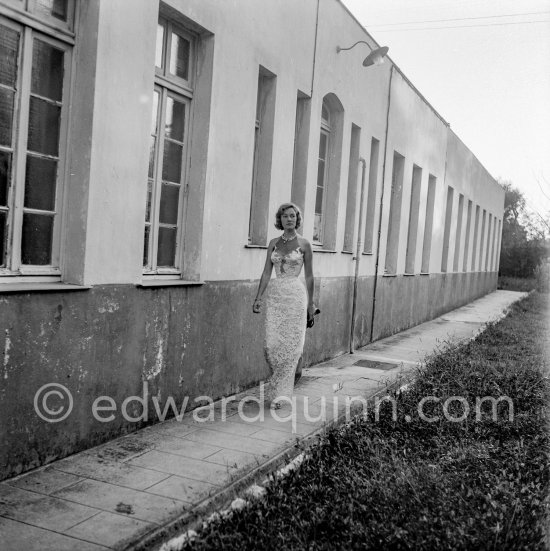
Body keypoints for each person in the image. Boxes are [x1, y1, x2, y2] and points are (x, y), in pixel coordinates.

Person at [252, 202, 315, 408]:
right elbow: (265, 272)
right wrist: (258, 297)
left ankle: (281, 391)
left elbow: (310, 276)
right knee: (272, 345)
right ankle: (285, 378)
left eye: (293, 216)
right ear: (280, 220)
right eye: (286, 216)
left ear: (297, 220)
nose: (290, 219)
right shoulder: (273, 243)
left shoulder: (305, 244)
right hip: (276, 296)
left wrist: (310, 305)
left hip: (296, 297)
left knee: (293, 345)